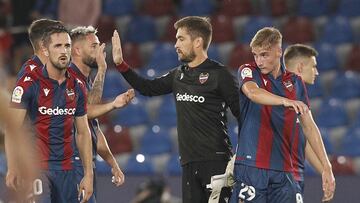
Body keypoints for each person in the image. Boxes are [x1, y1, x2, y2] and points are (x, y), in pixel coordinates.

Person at [112, 16, 240, 203]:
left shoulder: (220, 75)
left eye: (181, 39)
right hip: (188, 163)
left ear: (198, 42)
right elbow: (148, 88)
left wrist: (240, 156)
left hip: (216, 162)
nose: (175, 44)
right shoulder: (178, 75)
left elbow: (243, 114)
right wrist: (121, 65)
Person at [230, 27, 335, 203]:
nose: (259, 61)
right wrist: (285, 101)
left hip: (285, 171)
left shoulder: (295, 82)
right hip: (252, 167)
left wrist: (327, 166)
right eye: (255, 55)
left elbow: (309, 126)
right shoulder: (248, 70)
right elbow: (253, 93)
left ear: (279, 51)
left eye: (264, 55)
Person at [8, 24, 94, 203]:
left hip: (68, 170)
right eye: (58, 46)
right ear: (45, 51)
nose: (64, 51)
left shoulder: (78, 86)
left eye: (67, 46)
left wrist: (88, 174)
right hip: (37, 168)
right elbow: (12, 128)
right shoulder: (29, 83)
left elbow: (83, 131)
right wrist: (13, 166)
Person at [69, 25, 135, 201]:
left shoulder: (85, 80)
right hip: (71, 163)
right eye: (94, 46)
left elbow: (93, 128)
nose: (99, 50)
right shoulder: (68, 79)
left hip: (85, 163)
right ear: (76, 49)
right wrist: (113, 104)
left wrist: (113, 164)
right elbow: (85, 112)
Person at [283, 44, 325, 192]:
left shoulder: (298, 93)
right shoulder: (278, 92)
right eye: (313, 66)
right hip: (278, 177)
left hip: (291, 175)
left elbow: (304, 141)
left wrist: (325, 173)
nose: (317, 72)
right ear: (300, 67)